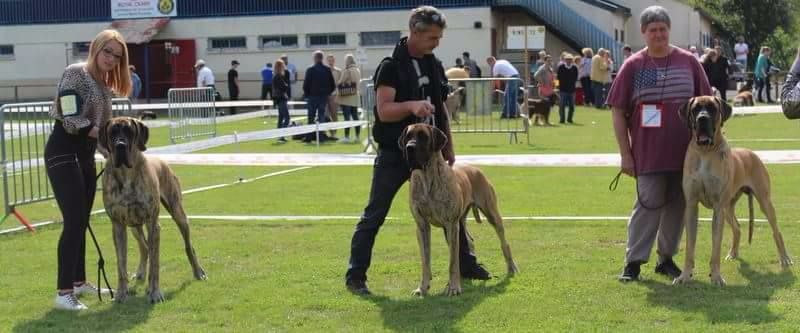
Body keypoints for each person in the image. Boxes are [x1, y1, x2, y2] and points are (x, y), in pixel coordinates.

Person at [345, 6, 490, 295]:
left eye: (438, 37)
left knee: (453, 206)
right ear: (415, 31)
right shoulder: (391, 66)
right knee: (375, 212)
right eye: (432, 37)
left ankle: (467, 264)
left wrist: (448, 144)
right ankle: (356, 276)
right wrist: (411, 106)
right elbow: (384, 111)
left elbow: (442, 109)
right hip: (396, 154)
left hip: (432, 154)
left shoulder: (434, 64)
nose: (436, 43)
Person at [606, 6, 712, 282]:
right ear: (643, 33)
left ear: (669, 31)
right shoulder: (633, 66)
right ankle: (633, 262)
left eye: (663, 29)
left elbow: (709, 104)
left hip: (686, 155)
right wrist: (625, 154)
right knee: (648, 204)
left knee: (679, 206)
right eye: (652, 30)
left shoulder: (688, 62)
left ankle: (666, 258)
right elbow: (617, 110)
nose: (658, 35)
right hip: (648, 153)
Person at [46, 29, 132, 310]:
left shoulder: (105, 86)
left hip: (84, 158)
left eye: (117, 56)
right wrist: (98, 134)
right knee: (73, 221)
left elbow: (103, 135)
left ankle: (79, 281)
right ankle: (63, 292)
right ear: (96, 48)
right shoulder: (75, 73)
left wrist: (114, 155)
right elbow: (70, 118)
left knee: (81, 221)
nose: (111, 59)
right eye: (107, 52)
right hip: (63, 153)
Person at [302, 50, 335, 130]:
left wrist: (307, 94)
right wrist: (327, 93)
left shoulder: (310, 69)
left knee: (311, 116)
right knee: (321, 116)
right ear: (322, 58)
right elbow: (332, 84)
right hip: (323, 97)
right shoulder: (327, 69)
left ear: (315, 58)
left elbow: (306, 85)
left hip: (312, 96)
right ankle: (321, 135)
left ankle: (309, 135)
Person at [338, 54, 362, 143]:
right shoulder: (357, 70)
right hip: (355, 96)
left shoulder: (347, 70)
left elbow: (341, 82)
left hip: (347, 96)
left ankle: (347, 137)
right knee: (356, 117)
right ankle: (357, 136)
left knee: (346, 117)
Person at [556, 54, 578, 123]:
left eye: (570, 59)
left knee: (571, 106)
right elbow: (557, 78)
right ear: (565, 60)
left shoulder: (575, 68)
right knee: (562, 105)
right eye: (567, 59)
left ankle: (569, 119)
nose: (569, 61)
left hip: (572, 90)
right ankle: (562, 119)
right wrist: (556, 86)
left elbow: (576, 78)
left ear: (572, 60)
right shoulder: (560, 67)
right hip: (562, 89)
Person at [272, 59, 290, 143]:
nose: (284, 67)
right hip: (281, 99)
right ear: (280, 67)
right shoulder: (278, 77)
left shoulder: (277, 76)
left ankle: (279, 136)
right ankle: (281, 135)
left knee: (281, 118)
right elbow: (284, 87)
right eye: (283, 65)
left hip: (279, 99)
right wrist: (286, 85)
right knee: (287, 118)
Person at [326, 54, 342, 138]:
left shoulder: (338, 71)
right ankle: (329, 132)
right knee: (326, 115)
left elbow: (340, 84)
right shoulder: (324, 70)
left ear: (334, 61)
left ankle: (334, 133)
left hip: (335, 95)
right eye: (329, 60)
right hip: (326, 95)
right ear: (327, 61)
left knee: (334, 114)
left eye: (332, 60)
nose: (330, 62)